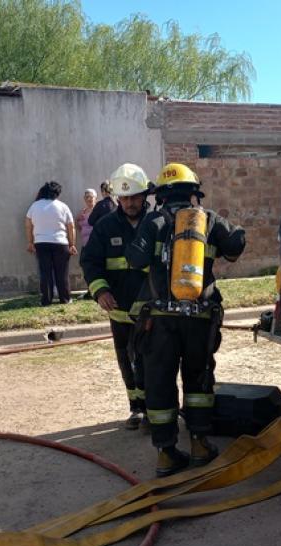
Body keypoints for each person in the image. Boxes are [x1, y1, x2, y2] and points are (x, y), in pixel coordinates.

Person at [126, 162, 246, 477]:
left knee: (159, 380)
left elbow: (135, 259)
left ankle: (166, 454)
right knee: (199, 379)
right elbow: (236, 245)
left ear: (161, 194)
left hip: (160, 320)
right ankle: (199, 444)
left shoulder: (153, 220)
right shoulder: (208, 220)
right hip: (200, 318)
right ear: (194, 193)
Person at [80, 164, 152, 430]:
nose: (130, 203)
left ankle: (154, 409)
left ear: (145, 195)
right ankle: (136, 408)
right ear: (117, 198)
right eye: (125, 198)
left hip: (152, 310)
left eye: (134, 197)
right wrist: (100, 291)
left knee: (153, 359)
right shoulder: (105, 226)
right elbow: (89, 262)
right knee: (127, 359)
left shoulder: (156, 223)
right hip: (120, 309)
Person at [25, 181, 77, 305]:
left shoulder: (34, 206)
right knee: (62, 273)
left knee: (45, 272)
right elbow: (71, 226)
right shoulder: (63, 206)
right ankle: (65, 299)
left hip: (41, 243)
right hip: (60, 243)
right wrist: (72, 244)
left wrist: (30, 242)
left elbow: (28, 225)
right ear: (57, 193)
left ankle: (46, 300)